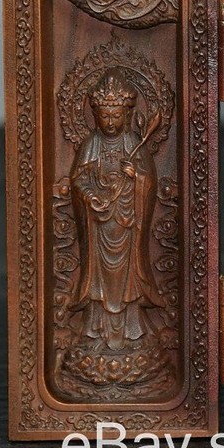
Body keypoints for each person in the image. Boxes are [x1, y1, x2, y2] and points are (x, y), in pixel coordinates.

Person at [70, 69, 162, 351]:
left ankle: (133, 329)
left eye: (115, 116)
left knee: (127, 280)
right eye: (105, 116)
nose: (110, 122)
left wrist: (137, 177)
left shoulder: (133, 143)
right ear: (95, 116)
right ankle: (95, 329)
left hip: (126, 223)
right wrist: (90, 197)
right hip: (99, 226)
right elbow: (78, 179)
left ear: (127, 115)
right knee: (99, 279)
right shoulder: (91, 144)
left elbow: (149, 180)